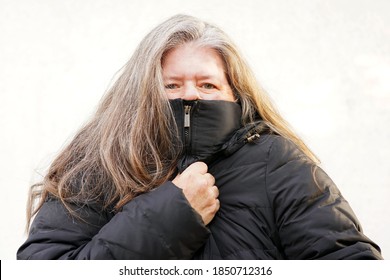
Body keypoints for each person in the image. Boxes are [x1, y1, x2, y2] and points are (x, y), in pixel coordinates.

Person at [17, 14, 383, 260]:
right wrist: (171, 215)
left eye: (207, 84)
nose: (189, 96)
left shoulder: (280, 162)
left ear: (235, 93)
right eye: (171, 84)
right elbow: (45, 268)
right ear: (141, 91)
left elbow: (350, 265)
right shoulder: (98, 161)